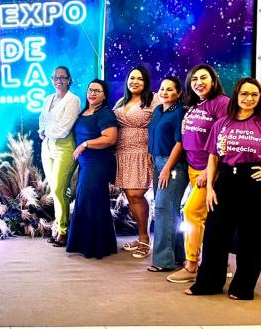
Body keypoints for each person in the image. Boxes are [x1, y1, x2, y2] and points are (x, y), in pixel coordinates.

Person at [186, 77, 261, 300]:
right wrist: (210, 188)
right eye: (244, 93)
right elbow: (213, 157)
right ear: (236, 95)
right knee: (215, 235)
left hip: (253, 181)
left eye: (254, 94)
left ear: (260, 98)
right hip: (225, 180)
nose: (249, 98)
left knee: (251, 238)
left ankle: (243, 287)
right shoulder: (222, 123)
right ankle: (209, 283)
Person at [168, 64, 229, 283]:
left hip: (209, 171)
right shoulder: (195, 105)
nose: (199, 82)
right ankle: (216, 263)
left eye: (204, 78)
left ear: (213, 80)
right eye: (194, 79)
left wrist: (209, 172)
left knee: (191, 212)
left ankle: (191, 265)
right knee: (206, 218)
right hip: (193, 168)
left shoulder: (221, 103)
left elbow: (225, 139)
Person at [66, 79, 118, 259]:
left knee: (90, 201)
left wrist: (85, 144)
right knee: (88, 200)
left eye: (97, 91)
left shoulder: (105, 113)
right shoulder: (84, 112)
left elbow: (110, 138)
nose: (92, 93)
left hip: (98, 163)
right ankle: (95, 243)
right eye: (90, 90)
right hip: (86, 163)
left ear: (104, 95)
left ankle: (94, 247)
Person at [114, 65, 159, 258]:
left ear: (146, 82)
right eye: (132, 78)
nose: (135, 81)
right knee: (130, 197)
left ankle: (145, 239)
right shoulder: (121, 102)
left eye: (140, 78)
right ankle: (142, 236)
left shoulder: (154, 99)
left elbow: (162, 123)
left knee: (136, 194)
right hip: (123, 154)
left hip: (143, 152)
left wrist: (155, 149)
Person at [146, 76, 188, 272]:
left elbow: (180, 143)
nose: (165, 92)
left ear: (178, 93)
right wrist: (151, 155)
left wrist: (167, 168)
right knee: (170, 210)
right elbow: (154, 134)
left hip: (172, 165)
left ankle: (163, 261)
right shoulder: (157, 110)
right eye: (162, 88)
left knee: (163, 209)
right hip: (157, 161)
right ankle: (178, 255)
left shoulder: (180, 113)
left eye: (170, 89)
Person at [38, 66, 81, 247]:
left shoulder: (73, 100)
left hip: (64, 146)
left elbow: (64, 128)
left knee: (58, 189)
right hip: (47, 146)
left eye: (63, 77)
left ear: (69, 80)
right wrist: (42, 131)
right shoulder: (48, 98)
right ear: (52, 79)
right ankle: (59, 228)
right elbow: (42, 120)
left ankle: (63, 231)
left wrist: (46, 131)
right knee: (55, 190)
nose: (59, 80)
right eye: (56, 77)